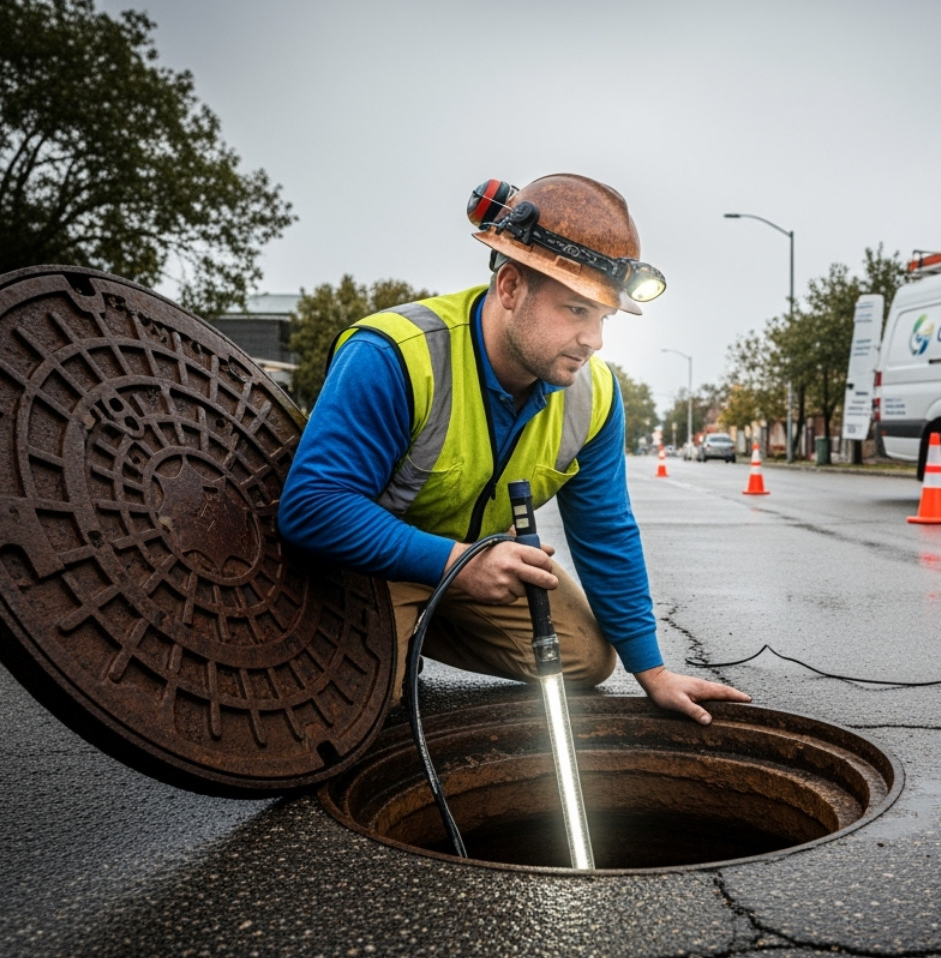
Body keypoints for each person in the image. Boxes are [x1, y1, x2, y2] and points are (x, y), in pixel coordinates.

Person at [277, 173, 749, 725]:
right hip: (370, 565)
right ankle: (384, 641)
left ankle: (413, 632)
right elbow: (311, 506)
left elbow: (605, 530)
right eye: (576, 310)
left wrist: (653, 670)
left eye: (603, 317)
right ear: (510, 288)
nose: (594, 340)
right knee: (359, 710)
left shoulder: (592, 394)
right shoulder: (394, 356)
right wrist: (454, 562)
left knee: (588, 658)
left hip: (477, 562)